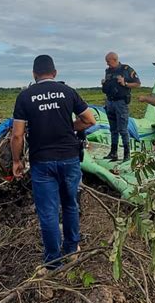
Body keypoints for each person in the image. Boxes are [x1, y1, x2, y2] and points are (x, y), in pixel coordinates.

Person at [11, 55, 95, 269]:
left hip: (42, 162)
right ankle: (72, 250)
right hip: (69, 158)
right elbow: (90, 120)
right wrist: (69, 128)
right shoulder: (68, 92)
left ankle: (53, 262)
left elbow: (17, 135)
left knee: (48, 212)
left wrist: (16, 160)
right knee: (70, 204)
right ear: (55, 73)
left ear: (34, 74)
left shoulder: (25, 96)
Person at [101, 52, 141, 162]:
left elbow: (138, 84)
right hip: (110, 102)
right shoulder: (108, 71)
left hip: (121, 103)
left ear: (114, 59)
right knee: (113, 129)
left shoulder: (126, 69)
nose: (107, 64)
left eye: (108, 62)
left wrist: (125, 83)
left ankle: (127, 154)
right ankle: (113, 153)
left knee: (122, 129)